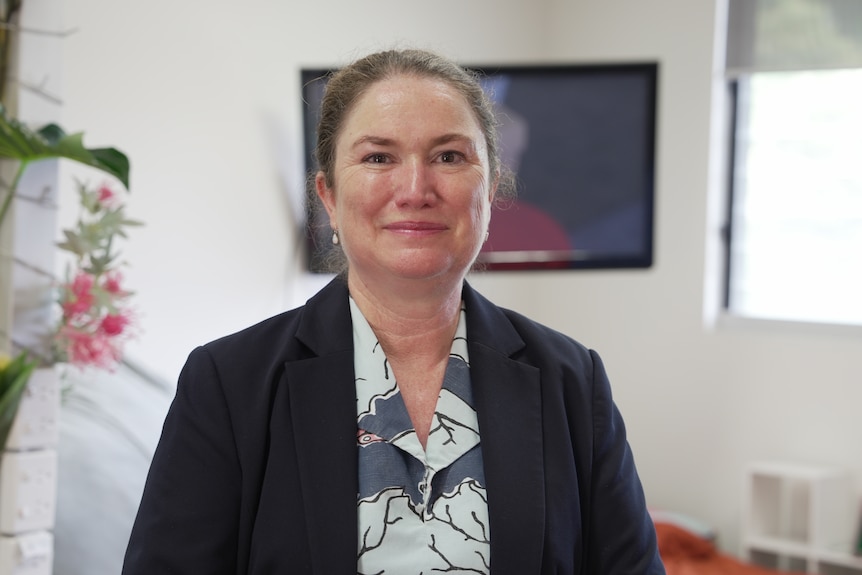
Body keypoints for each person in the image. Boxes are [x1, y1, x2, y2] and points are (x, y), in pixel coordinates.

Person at [122, 48, 665, 575]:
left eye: (449, 156)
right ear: (328, 197)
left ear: (490, 189)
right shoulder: (228, 384)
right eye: (378, 157)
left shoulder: (572, 381)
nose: (415, 189)